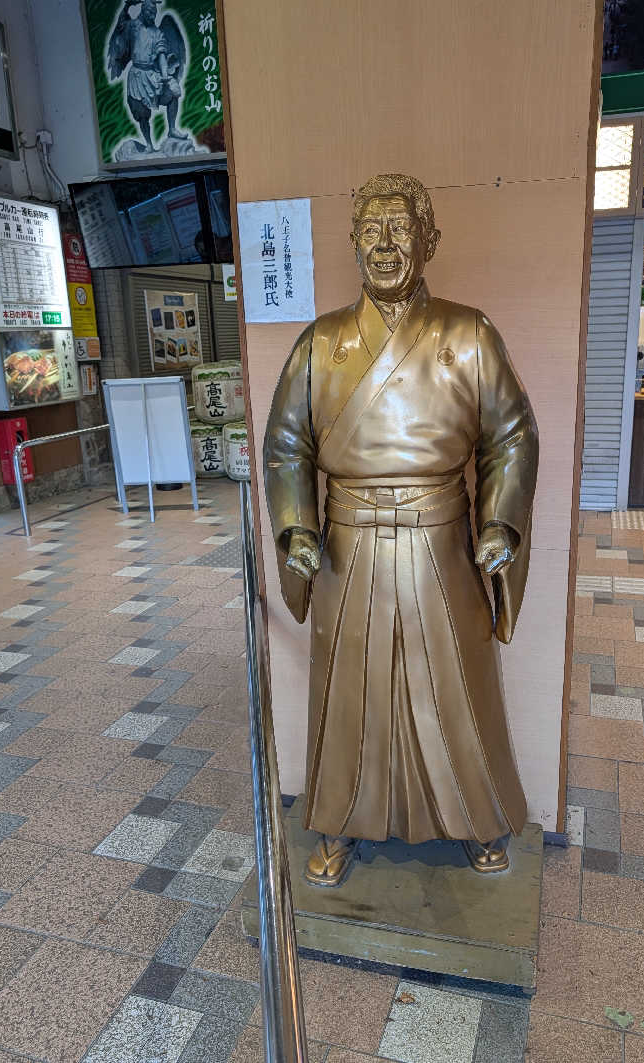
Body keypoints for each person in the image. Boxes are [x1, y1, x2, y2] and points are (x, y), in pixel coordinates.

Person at [264, 174, 538, 886]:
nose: (386, 245)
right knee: (351, 697)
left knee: (458, 693)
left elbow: (511, 435)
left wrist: (499, 520)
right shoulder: (322, 342)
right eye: (372, 231)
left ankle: (478, 817)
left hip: (441, 543)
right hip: (346, 544)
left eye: (401, 229)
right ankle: (342, 822)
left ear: (430, 241)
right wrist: (297, 526)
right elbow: (285, 444)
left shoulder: (468, 333)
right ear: (353, 243)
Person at [108, 0, 187, 154]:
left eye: (154, 14)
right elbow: (120, 25)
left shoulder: (157, 33)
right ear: (143, 10)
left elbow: (162, 55)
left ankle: (171, 128)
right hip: (137, 75)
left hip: (153, 73)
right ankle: (149, 144)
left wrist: (164, 75)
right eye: (149, 12)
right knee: (141, 112)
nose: (152, 16)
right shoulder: (133, 27)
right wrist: (127, 6)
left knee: (173, 92)